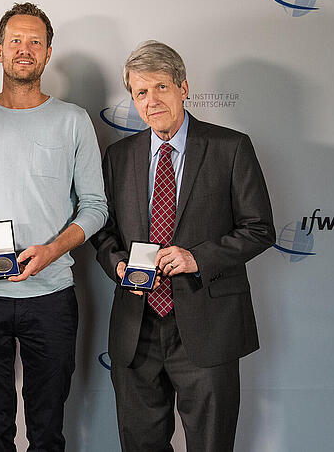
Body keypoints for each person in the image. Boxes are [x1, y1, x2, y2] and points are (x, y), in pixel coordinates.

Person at [91, 40, 275, 451]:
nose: (151, 100)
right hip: (136, 328)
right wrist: (118, 265)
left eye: (160, 87)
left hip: (208, 326)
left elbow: (260, 228)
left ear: (183, 87)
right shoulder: (118, 157)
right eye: (140, 92)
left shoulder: (231, 147)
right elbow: (102, 232)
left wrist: (197, 258)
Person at [0, 2, 108, 451]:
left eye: (35, 41)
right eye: (15, 40)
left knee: (47, 431)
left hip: (51, 296)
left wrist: (52, 251)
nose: (25, 49)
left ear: (48, 52)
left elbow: (95, 207)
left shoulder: (73, 121)